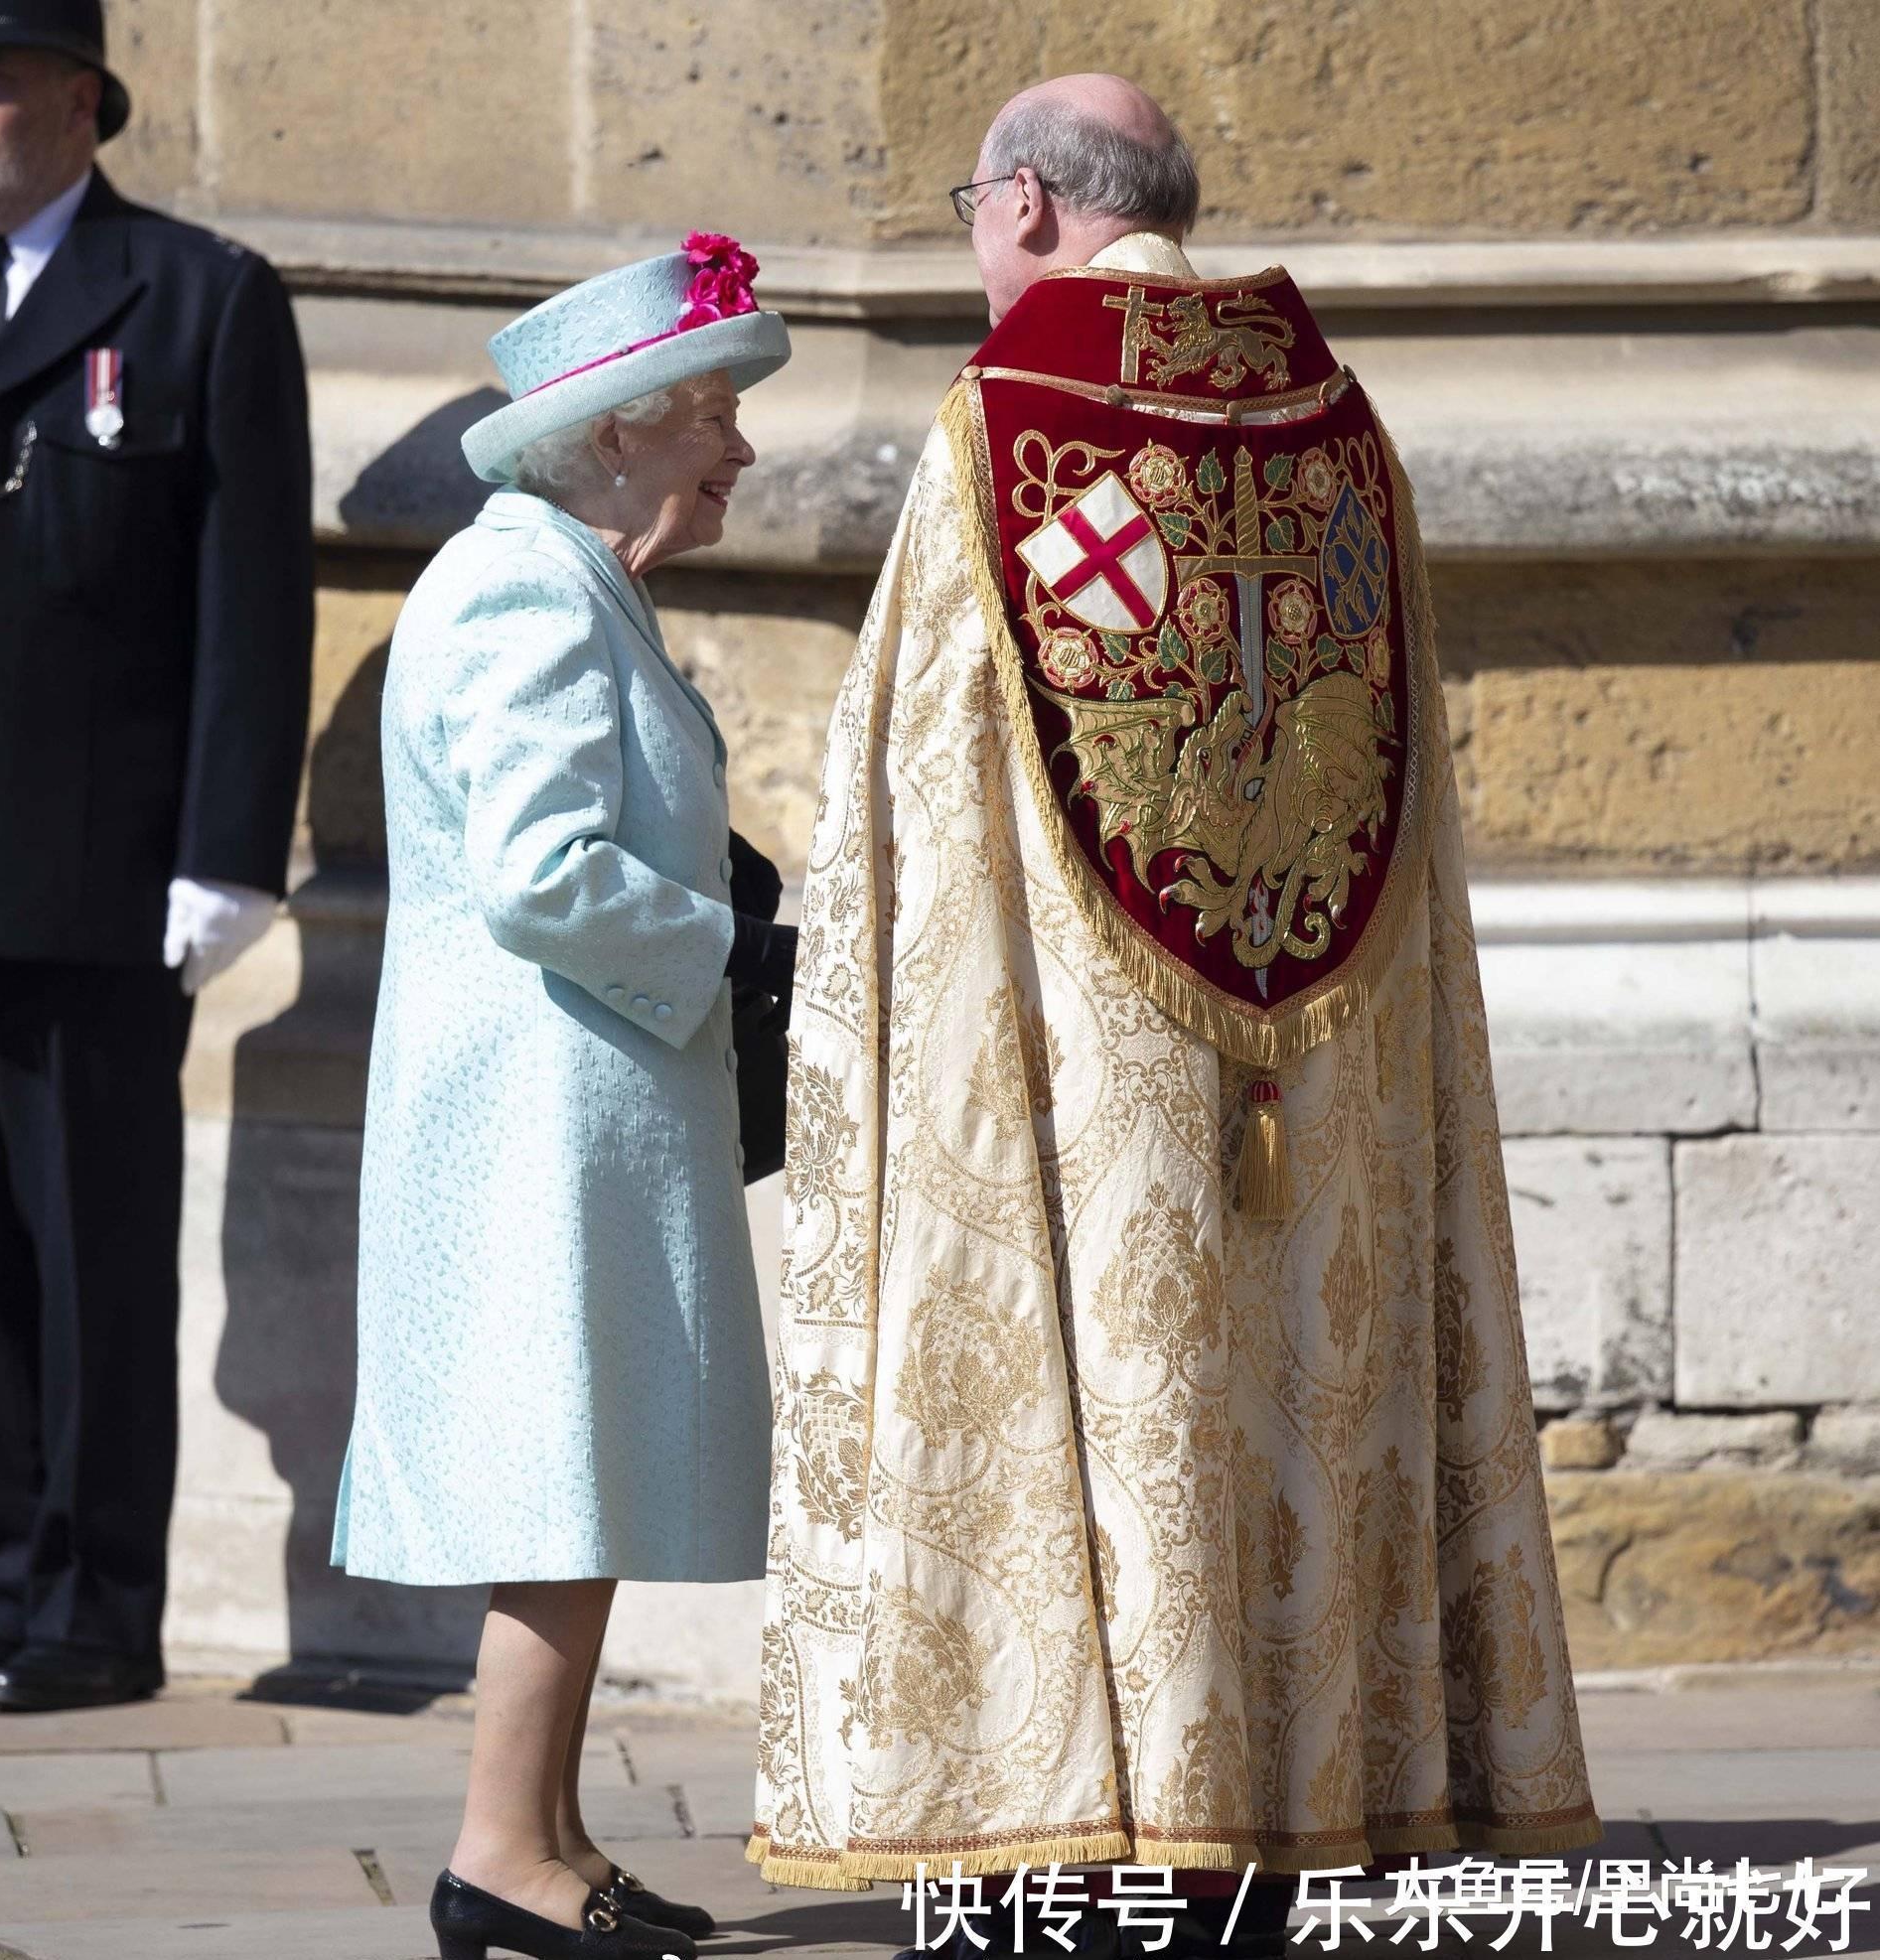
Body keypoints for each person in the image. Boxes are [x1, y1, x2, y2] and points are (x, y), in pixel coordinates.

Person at [748, 74, 1604, 1959]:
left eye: (977, 201)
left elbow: (919, 771)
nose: (978, 239)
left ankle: (1111, 1808)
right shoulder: (1340, 422)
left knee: (1113, 1387)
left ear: (1041, 205)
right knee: (1289, 1387)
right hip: (1329, 1050)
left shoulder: (1005, 424)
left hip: (1083, 1052)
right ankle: (1307, 1797)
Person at [330, 236, 795, 1960]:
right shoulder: (523, 582)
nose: (740, 450)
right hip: (537, 1115)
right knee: (556, 1486)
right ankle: (497, 1856)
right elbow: (540, 875)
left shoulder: (573, 574)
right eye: (714, 415)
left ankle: (537, 1836)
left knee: (574, 1485)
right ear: (613, 437)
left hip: (576, 1103)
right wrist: (737, 952)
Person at [0, 0, 313, 1715]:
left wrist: (226, 851)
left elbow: (251, 596)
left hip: (93, 877)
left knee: (88, 1252)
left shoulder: (197, 295)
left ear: (82, 97)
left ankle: (91, 1609)